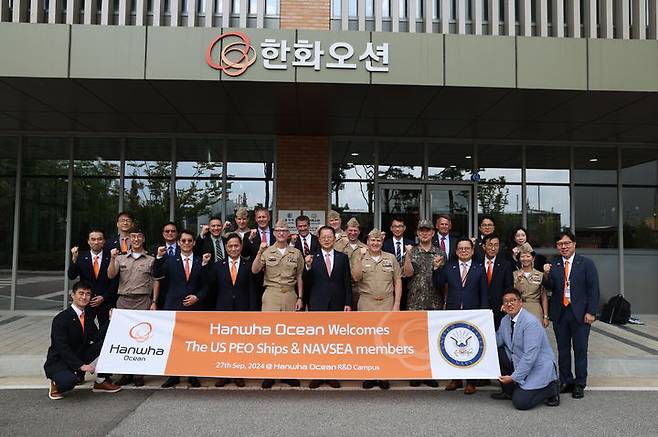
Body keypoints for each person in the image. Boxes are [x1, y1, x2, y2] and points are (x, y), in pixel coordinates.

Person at [543, 230, 599, 399]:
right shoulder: (555, 264)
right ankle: (566, 380)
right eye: (560, 244)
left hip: (581, 314)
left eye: (567, 243)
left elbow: (593, 289)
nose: (564, 247)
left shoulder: (586, 264)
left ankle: (580, 383)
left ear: (574, 244)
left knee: (580, 349)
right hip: (561, 313)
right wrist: (546, 274)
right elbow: (551, 287)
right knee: (563, 349)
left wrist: (591, 312)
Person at [44, 281, 121, 400]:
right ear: (73, 295)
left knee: (108, 343)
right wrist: (81, 366)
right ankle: (56, 383)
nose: (84, 297)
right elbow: (62, 348)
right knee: (69, 382)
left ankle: (101, 381)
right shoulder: (61, 318)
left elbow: (96, 337)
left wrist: (110, 321)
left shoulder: (88, 316)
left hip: (80, 354)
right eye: (81, 293)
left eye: (88, 294)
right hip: (61, 361)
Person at [252, 220, 304, 389]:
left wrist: (300, 297)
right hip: (272, 295)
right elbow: (255, 270)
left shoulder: (296, 253)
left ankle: (287, 373)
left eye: (285, 230)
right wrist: (259, 253)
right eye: (279, 230)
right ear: (274, 233)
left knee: (289, 337)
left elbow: (299, 277)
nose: (282, 233)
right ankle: (270, 374)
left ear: (289, 234)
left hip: (290, 294)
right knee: (270, 336)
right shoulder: (267, 252)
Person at [433, 238, 488, 395]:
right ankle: (455, 379)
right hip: (453, 311)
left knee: (471, 346)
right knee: (453, 346)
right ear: (456, 251)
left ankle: (471, 382)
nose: (463, 251)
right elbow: (437, 284)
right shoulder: (449, 267)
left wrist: (483, 312)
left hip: (474, 313)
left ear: (472, 251)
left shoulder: (479, 268)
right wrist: (436, 268)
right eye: (460, 248)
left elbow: (484, 292)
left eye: (467, 248)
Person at [204, 232, 258, 388]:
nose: (234, 248)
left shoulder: (249, 265)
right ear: (226, 248)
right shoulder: (217, 266)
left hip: (243, 309)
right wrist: (205, 266)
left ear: (241, 247)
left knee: (240, 344)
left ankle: (238, 374)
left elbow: (252, 290)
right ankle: (223, 374)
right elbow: (210, 287)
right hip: (223, 309)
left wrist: (252, 311)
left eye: (236, 245)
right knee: (224, 344)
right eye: (230, 246)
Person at [491, 288, 560, 410]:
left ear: (521, 302)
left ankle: (551, 388)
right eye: (506, 301)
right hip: (519, 360)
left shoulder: (530, 323)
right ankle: (509, 392)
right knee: (498, 352)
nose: (509, 304)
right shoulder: (505, 320)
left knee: (521, 403)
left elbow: (530, 356)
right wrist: (480, 334)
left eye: (513, 300)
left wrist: (513, 377)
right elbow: (498, 341)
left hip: (537, 366)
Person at [155, 229, 207, 388]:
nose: (186, 243)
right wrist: (158, 257)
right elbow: (156, 274)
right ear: (179, 242)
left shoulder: (200, 261)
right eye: (183, 241)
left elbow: (207, 285)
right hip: (174, 306)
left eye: (189, 241)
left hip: (194, 307)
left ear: (194, 243)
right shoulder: (169, 260)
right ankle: (173, 375)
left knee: (193, 342)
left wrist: (197, 297)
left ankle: (193, 374)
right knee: (174, 343)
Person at [352, 228, 400, 390]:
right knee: (368, 342)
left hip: (387, 303)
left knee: (385, 342)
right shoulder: (360, 256)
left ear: (382, 242)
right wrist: (359, 257)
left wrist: (397, 305)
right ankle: (369, 375)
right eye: (372, 240)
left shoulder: (390, 258)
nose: (375, 243)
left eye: (378, 240)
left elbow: (397, 282)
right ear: (367, 241)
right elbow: (356, 277)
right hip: (366, 303)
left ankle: (384, 375)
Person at [304, 225, 352, 389]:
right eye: (323, 237)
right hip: (317, 304)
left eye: (329, 236)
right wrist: (308, 267)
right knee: (318, 342)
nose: (326, 239)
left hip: (338, 304)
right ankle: (318, 374)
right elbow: (307, 283)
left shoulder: (342, 257)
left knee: (334, 341)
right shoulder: (312, 257)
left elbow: (347, 282)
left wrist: (348, 303)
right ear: (319, 239)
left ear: (334, 238)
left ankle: (332, 374)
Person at [107, 227, 155, 387]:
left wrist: (154, 301)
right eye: (133, 237)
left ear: (143, 239)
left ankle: (139, 374)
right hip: (124, 301)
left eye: (139, 236)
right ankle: (125, 373)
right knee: (124, 338)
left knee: (142, 338)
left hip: (142, 301)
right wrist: (113, 259)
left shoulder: (150, 259)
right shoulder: (120, 258)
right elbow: (111, 275)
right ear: (128, 240)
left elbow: (156, 281)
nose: (136, 239)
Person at [403, 220, 444, 388]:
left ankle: (429, 373)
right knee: (414, 338)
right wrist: (408, 255)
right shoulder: (412, 251)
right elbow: (407, 273)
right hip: (415, 301)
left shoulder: (439, 252)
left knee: (431, 340)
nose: (425, 233)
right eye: (422, 231)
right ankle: (415, 374)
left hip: (434, 301)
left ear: (433, 233)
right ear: (418, 233)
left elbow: (444, 278)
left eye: (428, 231)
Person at [68, 229, 115, 326]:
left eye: (99, 239)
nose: (96, 242)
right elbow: (72, 276)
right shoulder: (81, 257)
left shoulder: (111, 257)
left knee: (106, 331)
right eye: (93, 239)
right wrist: (74, 259)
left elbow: (115, 281)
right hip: (87, 301)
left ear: (104, 241)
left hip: (106, 302)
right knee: (85, 330)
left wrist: (103, 297)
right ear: (88, 242)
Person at [481, 233, 514, 330]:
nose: (493, 248)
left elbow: (508, 287)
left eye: (496, 245)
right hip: (480, 308)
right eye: (490, 245)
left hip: (499, 308)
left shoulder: (505, 265)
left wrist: (505, 303)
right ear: (484, 246)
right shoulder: (476, 263)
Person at [513, 243, 549, 328]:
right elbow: (514, 294)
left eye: (528, 256)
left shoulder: (540, 275)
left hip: (535, 307)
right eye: (522, 256)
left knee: (535, 336)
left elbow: (543, 297)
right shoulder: (514, 274)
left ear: (533, 258)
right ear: (519, 259)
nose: (525, 259)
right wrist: (518, 280)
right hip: (519, 308)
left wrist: (545, 316)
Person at [334, 217, 366, 309]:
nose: (353, 233)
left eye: (355, 230)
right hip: (342, 286)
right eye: (350, 230)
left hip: (358, 287)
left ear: (359, 232)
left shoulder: (365, 248)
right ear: (345, 231)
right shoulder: (337, 246)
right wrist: (343, 247)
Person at [383, 217, 414, 310]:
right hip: (390, 282)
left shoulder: (411, 244)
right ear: (391, 228)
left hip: (407, 282)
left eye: (400, 226)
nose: (397, 229)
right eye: (395, 226)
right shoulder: (385, 244)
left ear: (404, 228)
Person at [291, 214, 320, 308]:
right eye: (300, 226)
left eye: (305, 226)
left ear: (309, 226)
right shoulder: (291, 242)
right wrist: (292, 243)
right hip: (297, 283)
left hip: (315, 282)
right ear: (296, 227)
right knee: (299, 314)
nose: (302, 228)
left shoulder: (318, 240)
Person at [151, 221, 179, 309]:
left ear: (177, 233)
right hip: (161, 293)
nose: (170, 233)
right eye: (167, 231)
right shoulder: (154, 249)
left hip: (179, 293)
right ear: (163, 234)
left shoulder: (184, 248)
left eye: (173, 231)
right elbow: (155, 272)